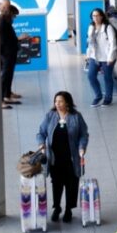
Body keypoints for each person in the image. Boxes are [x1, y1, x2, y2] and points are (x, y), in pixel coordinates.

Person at [35, 91, 89, 224]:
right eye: (56, 101)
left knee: (71, 184)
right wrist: (42, 144)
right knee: (57, 184)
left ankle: (69, 209)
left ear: (67, 103)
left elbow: (84, 134)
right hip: (55, 159)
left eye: (60, 101)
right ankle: (57, 207)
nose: (57, 104)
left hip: (71, 158)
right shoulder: (50, 116)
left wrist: (82, 147)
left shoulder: (76, 117)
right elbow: (41, 133)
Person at [85, 8, 117, 107]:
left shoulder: (108, 27)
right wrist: (88, 55)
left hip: (106, 56)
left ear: (102, 16)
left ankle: (108, 98)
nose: (95, 18)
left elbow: (113, 43)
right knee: (91, 76)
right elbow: (89, 42)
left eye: (97, 15)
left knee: (107, 77)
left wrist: (110, 58)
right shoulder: (91, 27)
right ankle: (98, 95)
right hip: (94, 56)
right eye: (93, 16)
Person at [0, 0, 22, 109]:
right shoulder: (1, 21)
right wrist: (18, 39)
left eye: (8, 7)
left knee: (9, 74)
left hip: (10, 51)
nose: (6, 9)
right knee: (5, 75)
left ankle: (7, 94)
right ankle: (1, 99)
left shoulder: (5, 20)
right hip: (5, 53)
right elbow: (3, 40)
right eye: (4, 7)